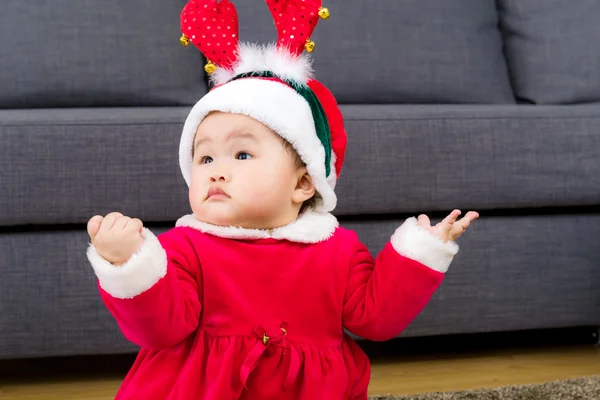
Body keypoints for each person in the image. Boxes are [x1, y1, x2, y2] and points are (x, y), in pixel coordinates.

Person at [85, 0, 479, 398]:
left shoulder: (338, 251)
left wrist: (422, 253)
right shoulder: (183, 249)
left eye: (242, 154)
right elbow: (158, 330)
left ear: (303, 184)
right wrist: (127, 263)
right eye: (204, 157)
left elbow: (376, 319)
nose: (215, 171)